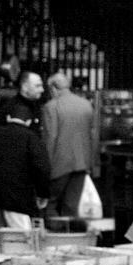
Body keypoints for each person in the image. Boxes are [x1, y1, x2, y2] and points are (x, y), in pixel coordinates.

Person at [0, 104, 52, 246]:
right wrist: (43, 193)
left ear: (8, 118)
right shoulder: (31, 138)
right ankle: (22, 257)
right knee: (23, 237)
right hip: (18, 197)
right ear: (28, 122)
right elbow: (41, 169)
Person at [41, 72, 98, 218]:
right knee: (73, 206)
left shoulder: (51, 107)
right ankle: (72, 230)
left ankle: (54, 231)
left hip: (59, 164)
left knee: (51, 204)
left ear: (53, 89)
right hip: (82, 164)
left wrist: (45, 166)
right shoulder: (86, 105)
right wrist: (92, 163)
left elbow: (51, 136)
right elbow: (93, 135)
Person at [0, 71, 45, 135]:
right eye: (37, 86)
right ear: (25, 87)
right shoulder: (10, 107)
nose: (42, 90)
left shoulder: (37, 106)